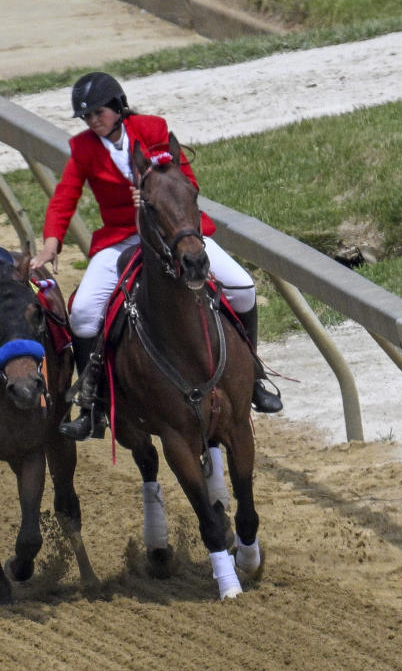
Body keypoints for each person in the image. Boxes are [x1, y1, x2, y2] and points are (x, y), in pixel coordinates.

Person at [30, 71, 282, 441]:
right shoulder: (83, 148)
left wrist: (152, 191)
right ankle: (92, 404)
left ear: (117, 107)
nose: (93, 121)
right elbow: (65, 196)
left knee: (243, 288)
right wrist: (52, 241)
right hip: (121, 238)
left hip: (172, 232)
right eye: (86, 116)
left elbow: (187, 183)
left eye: (98, 112)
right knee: (83, 313)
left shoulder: (153, 128)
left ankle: (255, 376)